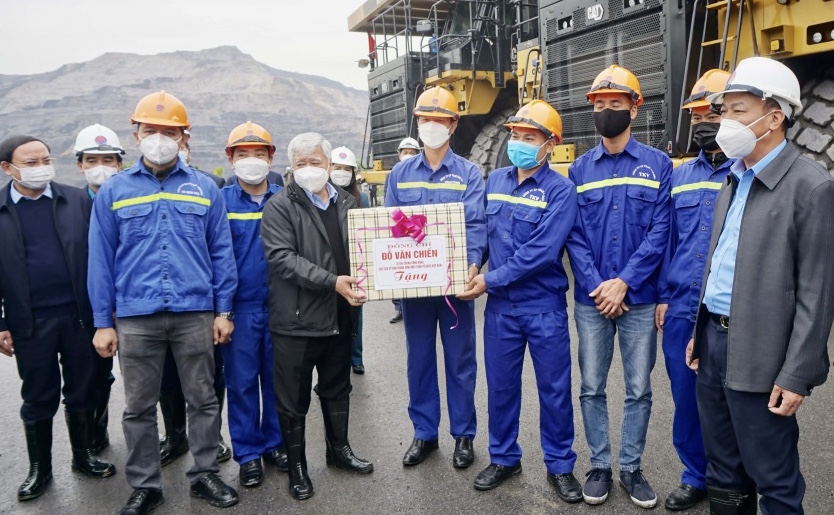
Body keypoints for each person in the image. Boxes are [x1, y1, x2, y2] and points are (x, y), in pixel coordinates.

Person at [686, 57, 834, 515]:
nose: (725, 121)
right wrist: (700, 332)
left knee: (773, 476)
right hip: (714, 342)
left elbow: (817, 294)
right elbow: (719, 267)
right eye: (724, 110)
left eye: (738, 110)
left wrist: (797, 374)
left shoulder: (811, 187)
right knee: (722, 471)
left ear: (774, 118)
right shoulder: (733, 179)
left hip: (763, 353)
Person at [88, 90, 240, 514]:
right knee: (138, 407)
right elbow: (100, 260)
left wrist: (223, 311)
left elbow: (221, 253)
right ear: (136, 134)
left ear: (183, 137)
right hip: (136, 317)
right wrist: (103, 322)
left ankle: (204, 474)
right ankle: (146, 485)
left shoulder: (204, 188)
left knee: (203, 399)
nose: (160, 138)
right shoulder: (114, 191)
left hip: (195, 313)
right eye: (150, 130)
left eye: (169, 131)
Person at [458, 101, 582, 503]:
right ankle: (504, 458)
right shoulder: (495, 180)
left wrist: (487, 280)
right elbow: (482, 234)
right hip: (500, 310)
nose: (519, 143)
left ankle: (560, 465)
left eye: (529, 137)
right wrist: (473, 263)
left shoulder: (561, 190)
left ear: (550, 144)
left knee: (555, 390)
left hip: (543, 306)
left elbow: (542, 253)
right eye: (515, 135)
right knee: (501, 388)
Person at [566, 64, 672, 509]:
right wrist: (600, 287)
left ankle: (630, 467)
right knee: (591, 386)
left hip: (639, 299)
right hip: (593, 301)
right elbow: (574, 236)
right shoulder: (578, 170)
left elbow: (660, 231)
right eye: (600, 104)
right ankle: (600, 466)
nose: (607, 110)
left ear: (634, 108)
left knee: (638, 389)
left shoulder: (658, 165)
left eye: (616, 103)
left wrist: (624, 282)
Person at [0, 135, 117, 502]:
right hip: (29, 321)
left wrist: (105, 313)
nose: (41, 168)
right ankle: (40, 470)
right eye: (31, 163)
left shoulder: (77, 201)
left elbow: (100, 256)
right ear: (7, 168)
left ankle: (84, 457)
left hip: (79, 317)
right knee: (38, 394)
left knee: (83, 389)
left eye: (45, 160)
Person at [261, 132, 373, 501]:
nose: (309, 169)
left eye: (315, 162)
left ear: (328, 164)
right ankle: (297, 469)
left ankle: (338, 451)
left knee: (337, 387)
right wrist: (332, 282)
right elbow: (282, 259)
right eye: (301, 163)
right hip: (296, 320)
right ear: (291, 167)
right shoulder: (279, 206)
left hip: (340, 314)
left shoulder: (347, 201)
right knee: (293, 399)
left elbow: (366, 249)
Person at [384, 87, 486, 469]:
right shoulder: (399, 174)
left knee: (460, 362)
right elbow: (388, 227)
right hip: (415, 290)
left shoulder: (469, 174)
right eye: (425, 119)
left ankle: (463, 435)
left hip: (454, 288)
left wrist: (473, 264)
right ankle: (424, 433)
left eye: (439, 120)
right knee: (420, 361)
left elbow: (475, 226)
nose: (431, 125)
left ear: (453, 124)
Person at [654, 69, 733, 512]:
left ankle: (731, 477)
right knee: (686, 396)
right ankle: (694, 475)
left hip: (727, 308)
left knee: (732, 397)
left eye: (712, 114)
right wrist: (664, 297)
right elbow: (669, 242)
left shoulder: (746, 173)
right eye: (697, 116)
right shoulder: (681, 176)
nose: (703, 123)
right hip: (682, 306)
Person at [220, 121, 287, 488]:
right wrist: (221, 311)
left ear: (270, 158)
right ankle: (248, 454)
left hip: (280, 306)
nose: (251, 160)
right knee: (242, 384)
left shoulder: (285, 198)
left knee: (278, 381)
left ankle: (275, 444)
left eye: (258, 154)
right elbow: (216, 258)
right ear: (231, 160)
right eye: (243, 154)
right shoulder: (221, 202)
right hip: (241, 309)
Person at [158, 134, 230, 469]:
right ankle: (175, 436)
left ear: (187, 146)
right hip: (157, 306)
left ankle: (212, 438)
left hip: (201, 304)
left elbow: (220, 248)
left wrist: (222, 308)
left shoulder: (211, 185)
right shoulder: (137, 188)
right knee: (166, 377)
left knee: (210, 379)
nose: (164, 145)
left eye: (176, 140)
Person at [74, 123, 126, 454]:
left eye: (108, 160)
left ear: (120, 163)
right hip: (88, 307)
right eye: (92, 160)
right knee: (90, 374)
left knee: (141, 376)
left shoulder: (128, 197)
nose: (101, 167)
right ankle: (93, 437)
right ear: (80, 164)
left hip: (132, 302)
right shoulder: (71, 205)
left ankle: (174, 436)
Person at [330, 145, 370, 375]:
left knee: (355, 313)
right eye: (338, 167)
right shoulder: (322, 196)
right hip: (330, 264)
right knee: (331, 314)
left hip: (355, 263)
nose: (342, 173)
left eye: (347, 169)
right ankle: (335, 362)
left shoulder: (361, 198)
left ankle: (356, 357)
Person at [387, 137, 421, 324]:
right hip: (401, 230)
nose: (408, 155)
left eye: (412, 152)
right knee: (398, 270)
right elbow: (389, 207)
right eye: (405, 152)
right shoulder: (393, 175)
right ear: (399, 154)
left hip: (418, 232)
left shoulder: (420, 175)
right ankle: (398, 307)